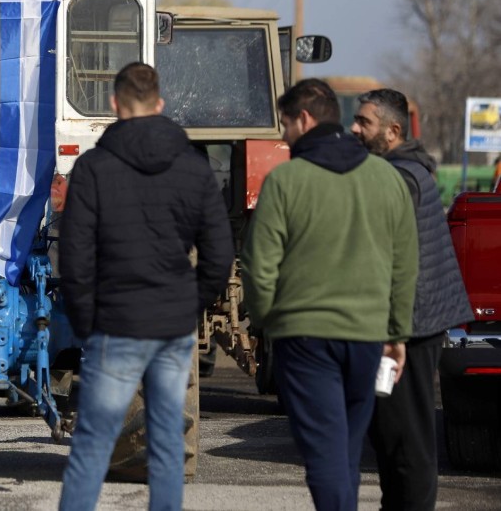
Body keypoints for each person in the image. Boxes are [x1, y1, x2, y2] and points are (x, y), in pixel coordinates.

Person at [58, 62, 234, 511]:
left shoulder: (93, 169)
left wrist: (86, 323)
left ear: (115, 105)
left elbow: (76, 259)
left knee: (93, 446)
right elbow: (219, 256)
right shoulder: (194, 169)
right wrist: (186, 304)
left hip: (113, 325)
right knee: (167, 446)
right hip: (172, 328)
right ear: (160, 105)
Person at [241, 78, 418, 511]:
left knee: (324, 456)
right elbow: (405, 264)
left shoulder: (285, 181)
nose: (282, 135)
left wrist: (267, 320)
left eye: (284, 124)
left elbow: (258, 264)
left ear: (303, 120)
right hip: (368, 337)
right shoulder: (386, 178)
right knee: (345, 453)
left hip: (304, 337)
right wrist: (397, 335)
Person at [352, 88, 473, 511]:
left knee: (408, 436)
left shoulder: (402, 176)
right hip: (411, 321)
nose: (355, 128)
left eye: (365, 122)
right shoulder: (405, 169)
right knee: (392, 431)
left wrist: (391, 331)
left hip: (410, 326)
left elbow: (387, 254)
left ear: (393, 130)